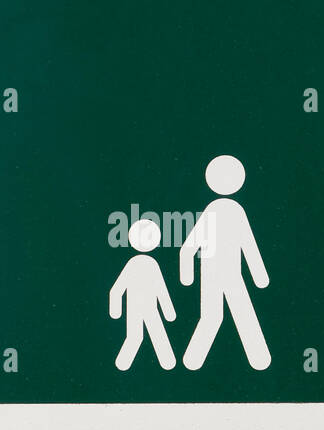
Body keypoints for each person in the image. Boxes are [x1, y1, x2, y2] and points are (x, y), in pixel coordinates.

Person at [179, 155, 270, 370]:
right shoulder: (231, 211)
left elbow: (188, 249)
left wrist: (187, 276)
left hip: (217, 274)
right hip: (226, 274)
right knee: (237, 313)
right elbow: (248, 245)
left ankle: (193, 360)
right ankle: (258, 359)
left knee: (215, 316)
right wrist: (259, 277)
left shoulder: (219, 210)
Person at [109, 219, 177, 371]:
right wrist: (168, 312)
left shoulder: (145, 264)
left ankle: (168, 362)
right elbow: (117, 289)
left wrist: (116, 311)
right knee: (143, 336)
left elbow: (160, 289)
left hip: (146, 308)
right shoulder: (143, 264)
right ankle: (166, 362)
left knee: (144, 335)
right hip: (139, 308)